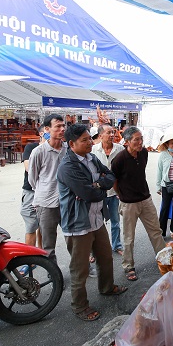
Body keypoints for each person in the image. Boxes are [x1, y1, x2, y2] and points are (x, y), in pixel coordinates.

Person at [57, 124, 128, 322]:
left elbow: (111, 175)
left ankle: (107, 287)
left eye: (90, 138)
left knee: (105, 257)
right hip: (78, 224)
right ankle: (79, 306)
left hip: (96, 219)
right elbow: (87, 193)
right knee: (80, 269)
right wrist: (99, 186)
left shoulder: (91, 158)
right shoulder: (67, 167)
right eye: (84, 140)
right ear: (72, 144)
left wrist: (97, 185)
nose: (90, 142)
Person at [110, 126, 166, 281]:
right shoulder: (119, 159)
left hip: (145, 199)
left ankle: (164, 259)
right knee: (129, 237)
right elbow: (113, 180)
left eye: (141, 138)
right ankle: (128, 266)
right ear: (127, 141)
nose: (140, 142)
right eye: (136, 139)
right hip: (128, 203)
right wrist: (121, 195)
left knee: (156, 231)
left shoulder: (144, 153)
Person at [28, 114, 67, 265]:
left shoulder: (68, 149)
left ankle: (82, 268)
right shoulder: (38, 152)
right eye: (58, 126)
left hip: (66, 200)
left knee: (74, 236)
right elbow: (32, 179)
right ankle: (54, 274)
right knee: (48, 244)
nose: (62, 129)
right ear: (47, 129)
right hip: (46, 203)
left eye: (63, 126)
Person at [90, 124, 125, 256]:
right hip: (99, 193)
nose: (112, 135)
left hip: (114, 192)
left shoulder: (120, 149)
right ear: (100, 136)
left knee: (115, 222)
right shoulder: (93, 150)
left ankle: (116, 245)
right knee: (95, 223)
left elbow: (123, 171)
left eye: (113, 132)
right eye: (108, 133)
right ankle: (93, 251)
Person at [20, 125, 45, 249]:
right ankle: (30, 257)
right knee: (31, 225)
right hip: (31, 191)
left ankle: (42, 253)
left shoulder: (57, 149)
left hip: (46, 192)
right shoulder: (31, 147)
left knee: (43, 226)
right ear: (42, 133)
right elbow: (28, 168)